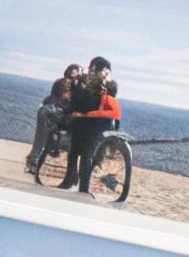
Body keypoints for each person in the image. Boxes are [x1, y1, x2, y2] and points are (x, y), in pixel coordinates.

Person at [62, 58, 119, 193]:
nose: (89, 70)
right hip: (101, 124)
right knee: (81, 153)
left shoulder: (95, 83)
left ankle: (79, 186)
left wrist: (76, 88)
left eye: (91, 68)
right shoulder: (111, 85)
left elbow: (82, 102)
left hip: (91, 124)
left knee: (81, 153)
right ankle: (77, 184)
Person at [25, 74, 76, 173]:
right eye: (68, 92)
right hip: (49, 122)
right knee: (41, 141)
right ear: (62, 91)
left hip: (49, 122)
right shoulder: (57, 103)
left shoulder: (51, 100)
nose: (70, 94)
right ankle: (33, 162)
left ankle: (33, 161)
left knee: (40, 141)